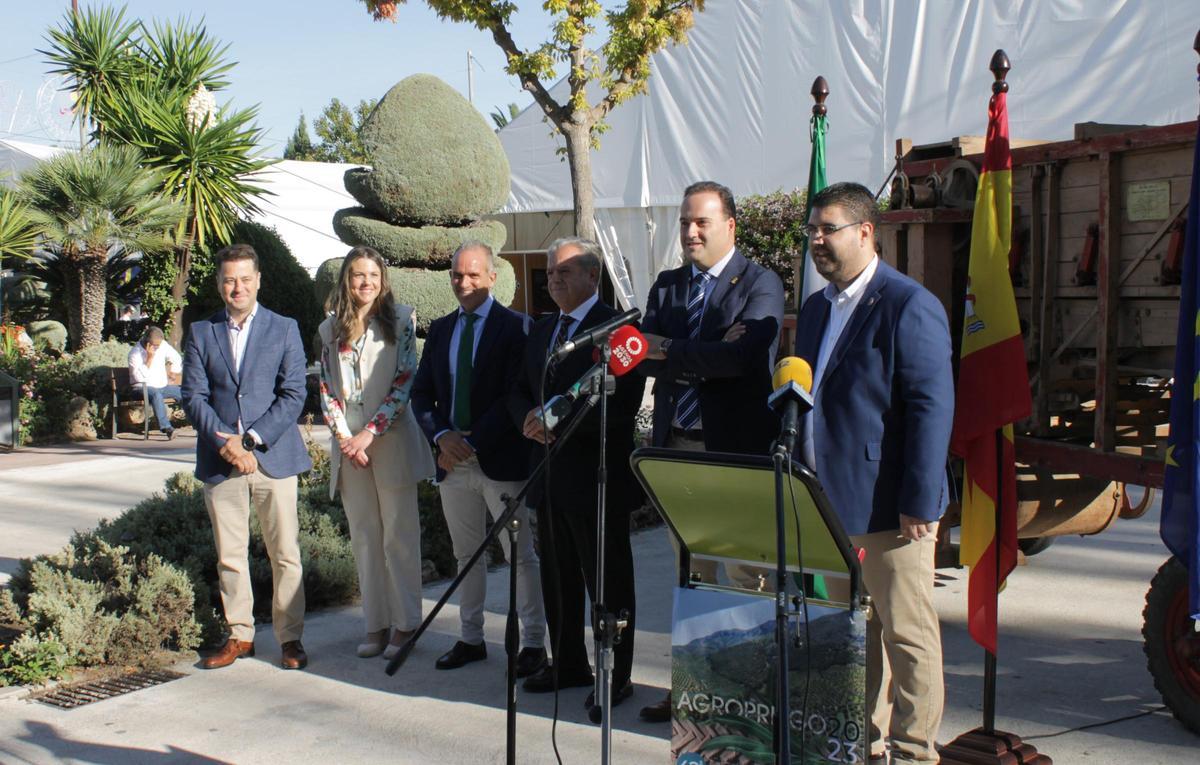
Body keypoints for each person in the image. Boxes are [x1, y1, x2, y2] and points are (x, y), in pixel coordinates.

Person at [794, 182, 953, 765]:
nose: (815, 240)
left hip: (890, 507)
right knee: (849, 636)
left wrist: (919, 501)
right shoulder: (815, 308)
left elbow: (930, 408)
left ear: (865, 232)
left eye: (826, 229)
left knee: (906, 635)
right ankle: (861, 745)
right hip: (824, 503)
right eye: (811, 229)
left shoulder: (909, 304)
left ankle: (914, 753)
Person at [637, 180, 785, 722]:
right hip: (677, 447)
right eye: (684, 222)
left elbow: (744, 359)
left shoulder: (761, 283)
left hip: (736, 451)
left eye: (701, 222)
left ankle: (749, 698)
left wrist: (673, 349)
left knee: (745, 576)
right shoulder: (669, 285)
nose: (691, 232)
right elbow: (640, 356)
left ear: (731, 227)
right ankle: (694, 689)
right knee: (690, 572)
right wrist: (705, 351)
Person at [508, 237, 644, 718]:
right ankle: (567, 663)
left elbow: (620, 403)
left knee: (606, 585)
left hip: (595, 479)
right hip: (547, 476)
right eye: (549, 272)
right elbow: (520, 386)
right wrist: (528, 414)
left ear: (592, 275)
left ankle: (616, 676)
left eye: (565, 271)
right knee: (557, 578)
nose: (553, 279)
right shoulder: (543, 328)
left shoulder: (620, 327)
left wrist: (554, 421)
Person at [410, 241, 547, 676]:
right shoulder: (442, 329)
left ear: (492, 277)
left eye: (472, 275)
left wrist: (471, 442)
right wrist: (443, 436)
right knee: (465, 554)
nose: (463, 283)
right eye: (456, 275)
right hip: (453, 463)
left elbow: (513, 394)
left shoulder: (516, 327)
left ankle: (533, 644)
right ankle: (470, 638)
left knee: (519, 554)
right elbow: (421, 392)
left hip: (498, 460)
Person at [182, 244, 312, 671]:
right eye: (228, 280)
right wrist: (226, 443)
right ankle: (240, 635)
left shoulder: (284, 327)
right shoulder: (201, 331)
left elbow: (294, 393)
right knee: (230, 556)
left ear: (259, 280)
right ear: (219, 284)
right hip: (222, 461)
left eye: (244, 279)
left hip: (272, 457)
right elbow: (193, 395)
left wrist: (250, 441)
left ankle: (290, 639)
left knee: (285, 554)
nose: (236, 287)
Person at [318, 246, 435, 661]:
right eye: (357, 275)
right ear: (346, 281)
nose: (365, 283)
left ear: (382, 280)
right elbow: (327, 390)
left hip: (389, 440)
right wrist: (346, 437)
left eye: (372, 275)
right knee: (366, 537)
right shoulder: (328, 330)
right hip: (349, 447)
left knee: (399, 537)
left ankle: (406, 624)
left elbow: (405, 380)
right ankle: (375, 624)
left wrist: (368, 433)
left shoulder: (401, 320)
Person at [128, 325, 183, 439]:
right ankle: (167, 428)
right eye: (155, 345)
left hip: (161, 387)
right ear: (147, 342)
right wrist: (149, 359)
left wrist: (173, 371)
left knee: (186, 392)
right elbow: (139, 378)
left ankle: (198, 424)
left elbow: (176, 358)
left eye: (159, 345)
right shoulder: (135, 353)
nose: (157, 348)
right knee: (155, 394)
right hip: (141, 388)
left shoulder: (162, 346)